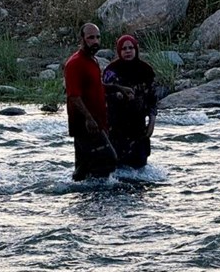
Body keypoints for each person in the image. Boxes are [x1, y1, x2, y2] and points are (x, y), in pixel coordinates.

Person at [64, 23, 118, 181]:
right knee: (109, 159)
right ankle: (98, 196)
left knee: (83, 167)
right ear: (82, 39)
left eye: (97, 37)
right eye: (91, 38)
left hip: (97, 121)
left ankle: (83, 196)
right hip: (85, 124)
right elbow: (73, 95)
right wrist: (89, 118)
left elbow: (96, 87)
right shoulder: (74, 63)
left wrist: (118, 88)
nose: (95, 41)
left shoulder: (92, 61)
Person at [103, 34, 158, 169]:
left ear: (136, 49)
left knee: (139, 167)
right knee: (117, 168)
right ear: (119, 51)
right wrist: (120, 96)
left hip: (138, 126)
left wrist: (152, 122)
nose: (128, 51)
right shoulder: (111, 71)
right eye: (124, 49)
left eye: (130, 48)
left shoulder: (146, 70)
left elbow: (152, 99)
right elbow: (103, 94)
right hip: (116, 125)